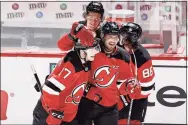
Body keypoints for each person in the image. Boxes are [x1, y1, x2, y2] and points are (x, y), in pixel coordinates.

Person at [32, 27, 101, 125]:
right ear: (82, 50)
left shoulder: (84, 62)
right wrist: (54, 113)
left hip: (66, 117)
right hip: (48, 115)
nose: (96, 52)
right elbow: (49, 88)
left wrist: (88, 91)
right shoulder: (72, 65)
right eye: (93, 49)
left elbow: (76, 84)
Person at [76, 21, 139, 125]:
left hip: (108, 107)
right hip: (85, 103)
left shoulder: (124, 56)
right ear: (102, 36)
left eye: (116, 37)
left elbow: (123, 82)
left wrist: (130, 85)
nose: (113, 40)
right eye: (110, 36)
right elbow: (77, 74)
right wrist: (88, 91)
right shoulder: (91, 51)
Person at [118, 22, 155, 125]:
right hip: (118, 96)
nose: (121, 39)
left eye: (124, 36)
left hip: (136, 100)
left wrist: (129, 95)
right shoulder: (116, 49)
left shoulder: (142, 57)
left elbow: (148, 88)